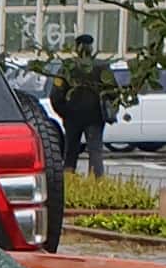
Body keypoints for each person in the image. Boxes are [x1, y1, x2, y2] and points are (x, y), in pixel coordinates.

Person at [49, 32, 117, 173]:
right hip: (95, 117)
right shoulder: (102, 67)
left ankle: (69, 184)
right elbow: (113, 92)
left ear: (77, 47)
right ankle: (97, 186)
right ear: (91, 48)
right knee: (95, 153)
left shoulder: (68, 67)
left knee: (70, 154)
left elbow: (55, 95)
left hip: (72, 118)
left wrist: (64, 113)